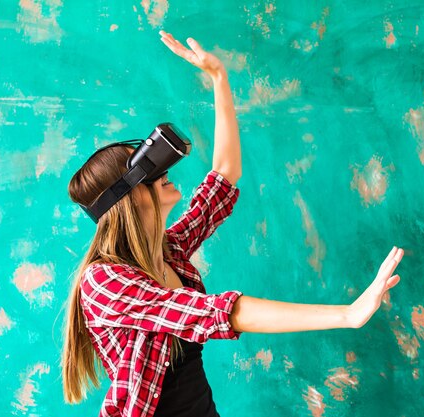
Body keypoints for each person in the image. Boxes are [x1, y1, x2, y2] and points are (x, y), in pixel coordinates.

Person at [61, 30, 404, 417]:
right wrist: (347, 314)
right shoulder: (104, 282)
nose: (165, 170)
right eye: (147, 167)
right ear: (127, 196)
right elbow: (219, 312)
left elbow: (224, 175)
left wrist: (219, 78)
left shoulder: (167, 253)